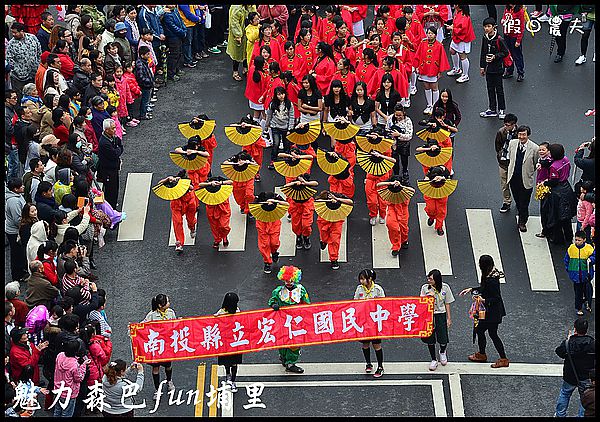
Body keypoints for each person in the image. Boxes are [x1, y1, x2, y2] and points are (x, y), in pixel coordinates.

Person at [459, 254, 509, 368]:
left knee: (488, 332)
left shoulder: (492, 280)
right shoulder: (489, 275)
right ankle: (484, 354)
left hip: (492, 313)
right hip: (490, 312)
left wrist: (483, 299)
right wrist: (471, 289)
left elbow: (496, 298)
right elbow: (484, 288)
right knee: (483, 331)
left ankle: (501, 358)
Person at [268, 266, 310, 373]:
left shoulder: (301, 290)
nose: (289, 282)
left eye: (291, 280)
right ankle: (283, 357)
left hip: (296, 321)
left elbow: (307, 304)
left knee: (294, 342)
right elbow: (272, 301)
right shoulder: (278, 291)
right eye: (286, 280)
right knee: (282, 340)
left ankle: (291, 363)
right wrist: (274, 305)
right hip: (283, 321)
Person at [554, 318, 595, 417]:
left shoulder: (569, 343)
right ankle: (581, 415)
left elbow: (559, 352)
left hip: (570, 375)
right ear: (586, 329)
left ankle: (560, 414)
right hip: (586, 376)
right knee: (585, 396)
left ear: (575, 329)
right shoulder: (592, 343)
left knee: (565, 394)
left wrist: (568, 339)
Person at [420, 269, 455, 371]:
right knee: (430, 337)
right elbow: (421, 302)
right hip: (429, 315)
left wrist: (449, 318)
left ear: (436, 279)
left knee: (443, 337)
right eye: (428, 278)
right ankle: (433, 359)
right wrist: (427, 297)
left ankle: (442, 352)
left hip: (440, 314)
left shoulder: (445, 287)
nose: (428, 280)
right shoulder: (425, 288)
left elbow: (447, 303)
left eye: (431, 279)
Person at [506, 125, 539, 232]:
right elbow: (510, 158)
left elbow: (535, 163)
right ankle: (521, 210)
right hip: (513, 177)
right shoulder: (512, 143)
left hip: (526, 178)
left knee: (524, 202)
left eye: (524, 134)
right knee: (517, 198)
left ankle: (522, 221)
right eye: (520, 134)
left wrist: (528, 172)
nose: (521, 137)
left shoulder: (534, 148)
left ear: (528, 135)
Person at [143, 294, 176, 398]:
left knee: (168, 365)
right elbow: (143, 325)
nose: (169, 303)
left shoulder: (171, 313)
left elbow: (174, 324)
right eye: (167, 302)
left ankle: (169, 380)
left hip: (166, 345)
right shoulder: (152, 315)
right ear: (160, 306)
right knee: (155, 368)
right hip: (156, 346)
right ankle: (157, 389)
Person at [353, 269, 386, 377]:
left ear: (370, 279)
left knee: (376, 344)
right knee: (365, 344)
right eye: (360, 279)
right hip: (363, 321)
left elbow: (384, 304)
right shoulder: (359, 289)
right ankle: (368, 363)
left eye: (363, 279)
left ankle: (380, 366)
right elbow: (355, 302)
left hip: (375, 321)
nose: (361, 281)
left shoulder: (378, 289)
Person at [413, 25, 449, 115]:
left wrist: (440, 71)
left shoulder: (439, 45)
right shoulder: (423, 43)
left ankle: (436, 105)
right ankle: (429, 105)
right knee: (426, 86)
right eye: (428, 33)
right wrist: (416, 66)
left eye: (431, 34)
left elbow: (442, 59)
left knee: (434, 87)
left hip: (434, 69)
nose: (429, 35)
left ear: (435, 35)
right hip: (424, 68)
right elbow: (418, 55)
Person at [479, 17, 509, 119]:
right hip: (488, 68)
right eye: (485, 26)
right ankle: (492, 109)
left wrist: (495, 56)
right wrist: (482, 66)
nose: (486, 28)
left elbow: (505, 52)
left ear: (493, 27)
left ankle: (501, 109)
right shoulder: (485, 38)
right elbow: (483, 52)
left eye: (488, 26)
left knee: (499, 89)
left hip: (498, 68)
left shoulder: (499, 39)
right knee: (490, 89)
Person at [316, 190, 354, 270]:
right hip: (324, 220)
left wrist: (337, 199)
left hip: (336, 221)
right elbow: (317, 201)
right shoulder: (325, 195)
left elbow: (350, 202)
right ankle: (323, 241)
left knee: (335, 241)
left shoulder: (340, 196)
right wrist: (328, 200)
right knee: (324, 236)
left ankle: (334, 259)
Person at [253, 191, 289, 274]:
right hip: (262, 222)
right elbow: (252, 206)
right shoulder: (258, 199)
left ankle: (274, 252)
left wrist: (275, 201)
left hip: (274, 221)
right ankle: (267, 262)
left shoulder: (275, 196)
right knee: (264, 244)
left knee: (274, 242)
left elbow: (286, 204)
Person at [214, 292, 243, 392]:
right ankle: (228, 376)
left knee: (234, 363)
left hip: (235, 342)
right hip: (225, 343)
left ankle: (233, 381)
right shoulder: (221, 313)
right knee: (227, 362)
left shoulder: (238, 312)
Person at [53, 340, 88, 417]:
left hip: (58, 389)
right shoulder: (74, 365)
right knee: (67, 414)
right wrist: (83, 365)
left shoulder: (60, 355)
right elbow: (79, 378)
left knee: (57, 411)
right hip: (69, 392)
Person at [7, 22, 43, 97]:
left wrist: (37, 65)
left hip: (33, 74)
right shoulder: (11, 44)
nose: (13, 34)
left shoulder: (32, 38)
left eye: (15, 32)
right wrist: (17, 71)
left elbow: (39, 52)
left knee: (35, 94)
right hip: (19, 78)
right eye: (12, 32)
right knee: (19, 97)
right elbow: (9, 59)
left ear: (22, 31)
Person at [283, 174, 318, 250]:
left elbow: (316, 183)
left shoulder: (307, 184)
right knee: (296, 225)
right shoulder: (293, 184)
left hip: (307, 205)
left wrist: (305, 183)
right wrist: (294, 183)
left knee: (306, 224)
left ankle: (306, 236)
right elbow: (285, 187)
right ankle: (298, 237)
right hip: (295, 206)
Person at [564, 231, 595, 316]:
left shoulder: (588, 248)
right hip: (576, 276)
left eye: (579, 240)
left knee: (587, 291)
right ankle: (579, 308)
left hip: (586, 275)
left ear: (584, 240)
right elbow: (566, 260)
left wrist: (591, 259)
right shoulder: (571, 248)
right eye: (576, 240)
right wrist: (569, 270)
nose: (577, 242)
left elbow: (594, 256)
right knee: (578, 293)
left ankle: (588, 303)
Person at [197, 177, 233, 249]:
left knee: (224, 226)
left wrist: (221, 183)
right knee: (214, 227)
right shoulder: (207, 184)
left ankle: (224, 235)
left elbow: (231, 182)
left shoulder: (223, 185)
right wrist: (210, 184)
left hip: (223, 209)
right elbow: (199, 185)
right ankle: (217, 239)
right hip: (211, 209)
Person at [96, 118, 123, 208]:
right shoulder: (104, 143)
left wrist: (118, 148)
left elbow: (120, 145)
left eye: (115, 127)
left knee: (115, 188)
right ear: (106, 130)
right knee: (111, 190)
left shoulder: (112, 138)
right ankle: (111, 207)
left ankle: (113, 204)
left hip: (113, 168)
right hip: (108, 170)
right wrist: (118, 149)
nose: (115, 130)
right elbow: (115, 153)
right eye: (112, 128)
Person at [265, 86, 295, 169]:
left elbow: (292, 116)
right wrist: (267, 126)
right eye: (278, 94)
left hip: (285, 128)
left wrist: (290, 128)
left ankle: (286, 159)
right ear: (276, 95)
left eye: (282, 94)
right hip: (275, 127)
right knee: (276, 144)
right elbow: (269, 115)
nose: (281, 96)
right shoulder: (272, 104)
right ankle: (273, 160)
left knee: (286, 145)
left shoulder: (289, 104)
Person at [494, 113, 518, 213]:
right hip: (503, 162)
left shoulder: (519, 133)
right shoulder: (501, 132)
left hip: (515, 163)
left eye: (508, 125)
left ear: (513, 125)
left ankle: (518, 201)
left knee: (516, 184)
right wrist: (501, 155)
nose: (506, 127)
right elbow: (497, 146)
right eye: (505, 124)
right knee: (504, 184)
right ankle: (507, 202)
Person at [6, 177, 28, 282]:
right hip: (14, 231)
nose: (23, 187)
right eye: (21, 186)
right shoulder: (13, 201)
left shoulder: (18, 196)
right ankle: (17, 275)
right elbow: (17, 219)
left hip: (17, 230)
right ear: (15, 189)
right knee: (16, 253)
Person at [447, 5, 476, 83]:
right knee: (452, 50)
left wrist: (452, 28)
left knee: (462, 56)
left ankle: (465, 75)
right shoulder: (458, 12)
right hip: (456, 36)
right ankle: (457, 69)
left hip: (463, 38)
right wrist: (453, 26)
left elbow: (463, 29)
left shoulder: (464, 16)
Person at [500, 5, 525, 81]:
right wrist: (503, 20)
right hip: (507, 34)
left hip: (514, 36)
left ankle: (520, 72)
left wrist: (518, 40)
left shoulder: (520, 11)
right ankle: (509, 71)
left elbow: (521, 26)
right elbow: (504, 17)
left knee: (517, 55)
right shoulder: (507, 9)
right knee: (508, 54)